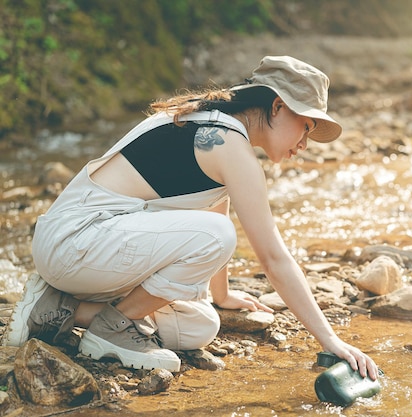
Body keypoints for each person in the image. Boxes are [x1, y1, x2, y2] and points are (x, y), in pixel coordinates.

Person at [3, 55, 379, 380]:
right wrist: (331, 340)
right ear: (278, 106)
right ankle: (113, 329)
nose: (304, 144)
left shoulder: (222, 128)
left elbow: (215, 205)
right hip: (75, 242)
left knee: (199, 325)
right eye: (307, 127)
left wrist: (223, 294)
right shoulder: (228, 142)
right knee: (217, 235)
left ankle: (54, 309)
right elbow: (272, 258)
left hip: (88, 249)